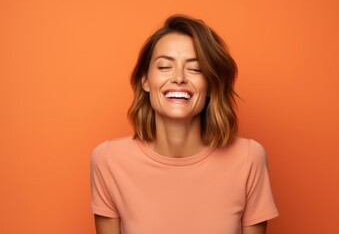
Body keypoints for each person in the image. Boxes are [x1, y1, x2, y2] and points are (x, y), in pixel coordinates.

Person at [90, 14, 279, 234]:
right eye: (164, 67)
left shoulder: (249, 158)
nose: (179, 78)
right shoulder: (108, 160)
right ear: (145, 81)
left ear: (211, 84)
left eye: (195, 69)